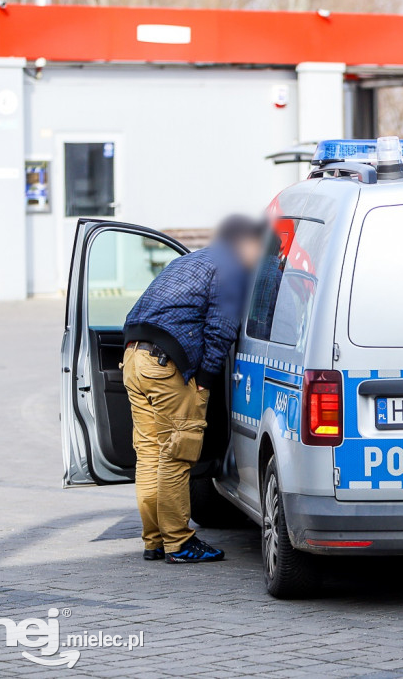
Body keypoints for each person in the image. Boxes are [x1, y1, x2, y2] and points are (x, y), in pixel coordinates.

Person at [122, 215, 266, 562]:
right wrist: (203, 382)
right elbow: (221, 331)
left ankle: (154, 540)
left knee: (150, 454)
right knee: (176, 455)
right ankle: (180, 543)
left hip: (133, 357)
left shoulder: (189, 260)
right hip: (167, 366)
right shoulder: (233, 269)